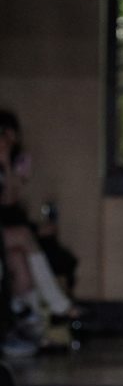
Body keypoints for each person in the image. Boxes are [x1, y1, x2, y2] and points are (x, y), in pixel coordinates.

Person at [0, 110, 78, 352]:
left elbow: (11, 198)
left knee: (18, 257)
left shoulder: (17, 161)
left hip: (8, 225)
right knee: (24, 237)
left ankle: (29, 323)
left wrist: (5, 161)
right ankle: (58, 305)